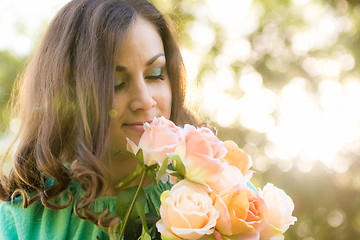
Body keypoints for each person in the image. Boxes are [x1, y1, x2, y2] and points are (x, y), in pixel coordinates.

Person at [0, 0, 201, 239]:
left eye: (155, 74)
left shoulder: (222, 193)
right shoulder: (23, 217)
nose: (145, 100)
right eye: (116, 84)